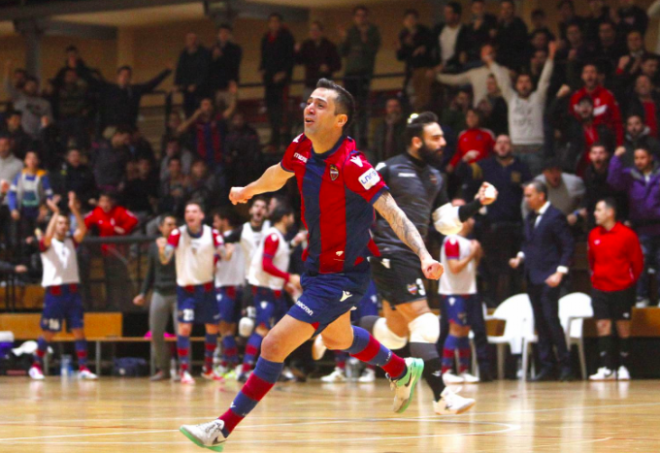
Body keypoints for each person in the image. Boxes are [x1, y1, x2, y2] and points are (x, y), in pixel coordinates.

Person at [179, 78, 472, 449]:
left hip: (343, 276)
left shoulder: (353, 165)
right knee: (338, 337)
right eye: (309, 102)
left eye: (320, 105)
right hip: (316, 266)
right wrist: (250, 189)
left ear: (340, 120)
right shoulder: (302, 147)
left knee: (272, 346)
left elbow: (393, 212)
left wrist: (425, 255)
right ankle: (401, 369)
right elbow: (279, 173)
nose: (309, 109)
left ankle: (221, 427)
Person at [367, 111, 495, 412]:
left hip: (415, 256)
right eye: (435, 138)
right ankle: (441, 397)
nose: (442, 143)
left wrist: (478, 204)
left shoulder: (436, 177)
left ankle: (335, 329)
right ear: (416, 141)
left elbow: (445, 222)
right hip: (388, 252)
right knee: (425, 322)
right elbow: (357, 202)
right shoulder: (389, 168)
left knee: (394, 335)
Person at [455, 134, 531, 307]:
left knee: (513, 268)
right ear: (495, 147)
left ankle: (514, 301)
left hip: (514, 225)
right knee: (491, 266)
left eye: (506, 143)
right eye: (500, 143)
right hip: (491, 226)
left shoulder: (521, 167)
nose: (503, 146)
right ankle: (491, 301)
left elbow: (530, 189)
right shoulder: (485, 166)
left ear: (512, 147)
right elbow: (463, 176)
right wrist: (464, 160)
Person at [509, 181, 574, 382]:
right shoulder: (530, 217)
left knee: (551, 320)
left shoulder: (555, 216)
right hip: (532, 276)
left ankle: (566, 366)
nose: (526, 199)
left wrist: (560, 272)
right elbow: (528, 243)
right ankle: (547, 366)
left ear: (541, 196)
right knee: (540, 322)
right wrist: (520, 257)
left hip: (549, 276)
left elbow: (568, 245)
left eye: (529, 195)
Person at [158, 201, 229, 384]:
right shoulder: (177, 234)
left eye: (194, 211)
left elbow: (223, 254)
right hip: (186, 290)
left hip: (206, 288)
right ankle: (184, 371)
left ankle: (208, 368)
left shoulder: (212, 234)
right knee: (184, 328)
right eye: (188, 211)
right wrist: (161, 249)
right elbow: (166, 258)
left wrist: (226, 251)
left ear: (201, 215)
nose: (190, 214)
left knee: (213, 328)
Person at [29, 192, 97, 380]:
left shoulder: (71, 242)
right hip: (55, 293)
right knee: (49, 332)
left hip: (73, 292)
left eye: (65, 223)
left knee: (79, 330)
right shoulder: (46, 244)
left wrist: (75, 211)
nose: (63, 226)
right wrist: (56, 213)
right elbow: (48, 235)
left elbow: (82, 230)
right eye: (60, 223)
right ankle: (36, 365)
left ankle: (83, 368)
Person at [241, 203, 301, 381]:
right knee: (261, 328)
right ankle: (245, 370)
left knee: (280, 332)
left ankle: (276, 370)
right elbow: (266, 265)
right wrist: (289, 277)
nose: (292, 220)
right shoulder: (273, 237)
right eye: (291, 216)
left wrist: (285, 284)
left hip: (274, 289)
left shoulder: (279, 237)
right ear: (285, 217)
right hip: (264, 290)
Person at [588, 198, 643, 381]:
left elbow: (637, 263)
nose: (595, 213)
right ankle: (606, 367)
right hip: (600, 288)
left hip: (621, 288)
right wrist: (596, 279)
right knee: (603, 325)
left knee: (622, 327)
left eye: (598, 210)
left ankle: (624, 366)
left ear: (610, 212)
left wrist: (627, 281)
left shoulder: (627, 235)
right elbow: (591, 261)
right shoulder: (594, 235)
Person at [490, 41, 556, 176]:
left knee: (536, 184)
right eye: (520, 82)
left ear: (531, 85)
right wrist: (491, 63)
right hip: (516, 150)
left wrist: (551, 57)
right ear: (516, 85)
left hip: (536, 149)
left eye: (527, 82)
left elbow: (545, 80)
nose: (524, 85)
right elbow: (502, 81)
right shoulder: (512, 98)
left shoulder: (538, 98)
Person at [607, 146, 660, 307]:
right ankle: (641, 297)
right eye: (636, 158)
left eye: (642, 158)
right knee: (640, 264)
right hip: (641, 228)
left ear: (650, 158)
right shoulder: (630, 175)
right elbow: (613, 181)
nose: (639, 161)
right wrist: (616, 158)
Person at [133, 214, 179, 381]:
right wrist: (143, 293)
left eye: (174, 224)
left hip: (178, 293)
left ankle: (183, 370)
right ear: (161, 227)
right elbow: (150, 273)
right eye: (168, 224)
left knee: (182, 333)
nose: (172, 227)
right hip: (159, 292)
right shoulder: (153, 247)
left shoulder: (180, 245)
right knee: (156, 332)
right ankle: (163, 370)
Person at [439, 217, 481, 384]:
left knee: (464, 331)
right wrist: (472, 254)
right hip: (453, 293)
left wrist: (476, 254)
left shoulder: (466, 241)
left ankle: (464, 370)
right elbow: (454, 268)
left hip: (467, 291)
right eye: (469, 218)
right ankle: (446, 370)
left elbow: (471, 268)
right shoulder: (452, 240)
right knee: (455, 330)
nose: (472, 221)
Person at [340, 6, 381, 148]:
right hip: (350, 73)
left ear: (367, 17)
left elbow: (373, 50)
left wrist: (364, 40)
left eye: (363, 15)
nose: (361, 18)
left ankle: (363, 137)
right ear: (354, 17)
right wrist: (344, 39)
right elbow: (342, 52)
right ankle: (349, 136)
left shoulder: (372, 32)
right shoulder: (351, 32)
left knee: (363, 106)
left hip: (364, 73)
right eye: (358, 15)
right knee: (350, 106)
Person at [212, 208, 245, 378]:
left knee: (223, 329)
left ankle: (232, 365)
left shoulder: (221, 240)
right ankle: (228, 364)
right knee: (230, 330)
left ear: (225, 221)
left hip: (225, 287)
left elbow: (212, 264)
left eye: (216, 221)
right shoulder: (242, 236)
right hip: (239, 287)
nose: (214, 225)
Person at [94, 64, 172, 133]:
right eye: (122, 75)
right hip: (112, 127)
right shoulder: (109, 89)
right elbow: (92, 81)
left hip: (129, 127)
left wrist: (166, 72)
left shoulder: (134, 91)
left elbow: (151, 85)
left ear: (130, 78)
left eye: (127, 76)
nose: (124, 78)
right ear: (118, 77)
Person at [260, 13, 295, 151]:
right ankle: (274, 138)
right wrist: (262, 69)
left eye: (276, 21)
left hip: (282, 80)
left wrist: (284, 73)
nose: (274, 24)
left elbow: (290, 58)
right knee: (271, 109)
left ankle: (285, 140)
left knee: (282, 110)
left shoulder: (287, 37)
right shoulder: (265, 38)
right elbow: (263, 57)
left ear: (280, 23)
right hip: (269, 80)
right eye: (272, 21)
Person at [569, 63, 624, 145]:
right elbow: (570, 122)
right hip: (580, 145)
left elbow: (617, 123)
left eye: (592, 72)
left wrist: (619, 145)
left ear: (598, 75)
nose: (589, 75)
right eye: (586, 72)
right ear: (582, 76)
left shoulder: (607, 96)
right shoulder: (575, 97)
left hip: (604, 145)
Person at [295, 21, 342, 102]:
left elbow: (337, 65)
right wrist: (297, 51)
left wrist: (328, 68)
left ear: (321, 32)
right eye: (312, 30)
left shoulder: (329, 46)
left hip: (325, 85)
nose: (314, 33)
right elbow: (299, 61)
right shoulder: (306, 46)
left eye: (316, 30)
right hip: (310, 82)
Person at [174, 33, 211, 118]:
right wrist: (177, 84)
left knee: (201, 109)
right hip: (187, 88)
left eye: (193, 39)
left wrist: (196, 84)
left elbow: (205, 71)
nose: (191, 41)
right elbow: (179, 69)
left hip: (202, 89)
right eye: (189, 39)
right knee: (188, 110)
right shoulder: (183, 54)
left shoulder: (204, 53)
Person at [209, 24, 242, 107]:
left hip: (229, 82)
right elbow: (208, 67)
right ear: (218, 35)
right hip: (216, 84)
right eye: (221, 33)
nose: (223, 35)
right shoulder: (212, 49)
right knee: (217, 110)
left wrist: (221, 56)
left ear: (230, 35)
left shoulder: (235, 49)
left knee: (229, 108)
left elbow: (234, 64)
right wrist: (214, 57)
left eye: (226, 33)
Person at [371, 97, 406, 163]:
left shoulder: (405, 127)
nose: (393, 109)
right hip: (384, 164)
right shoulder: (380, 127)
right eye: (390, 106)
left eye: (396, 106)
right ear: (386, 109)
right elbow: (375, 148)